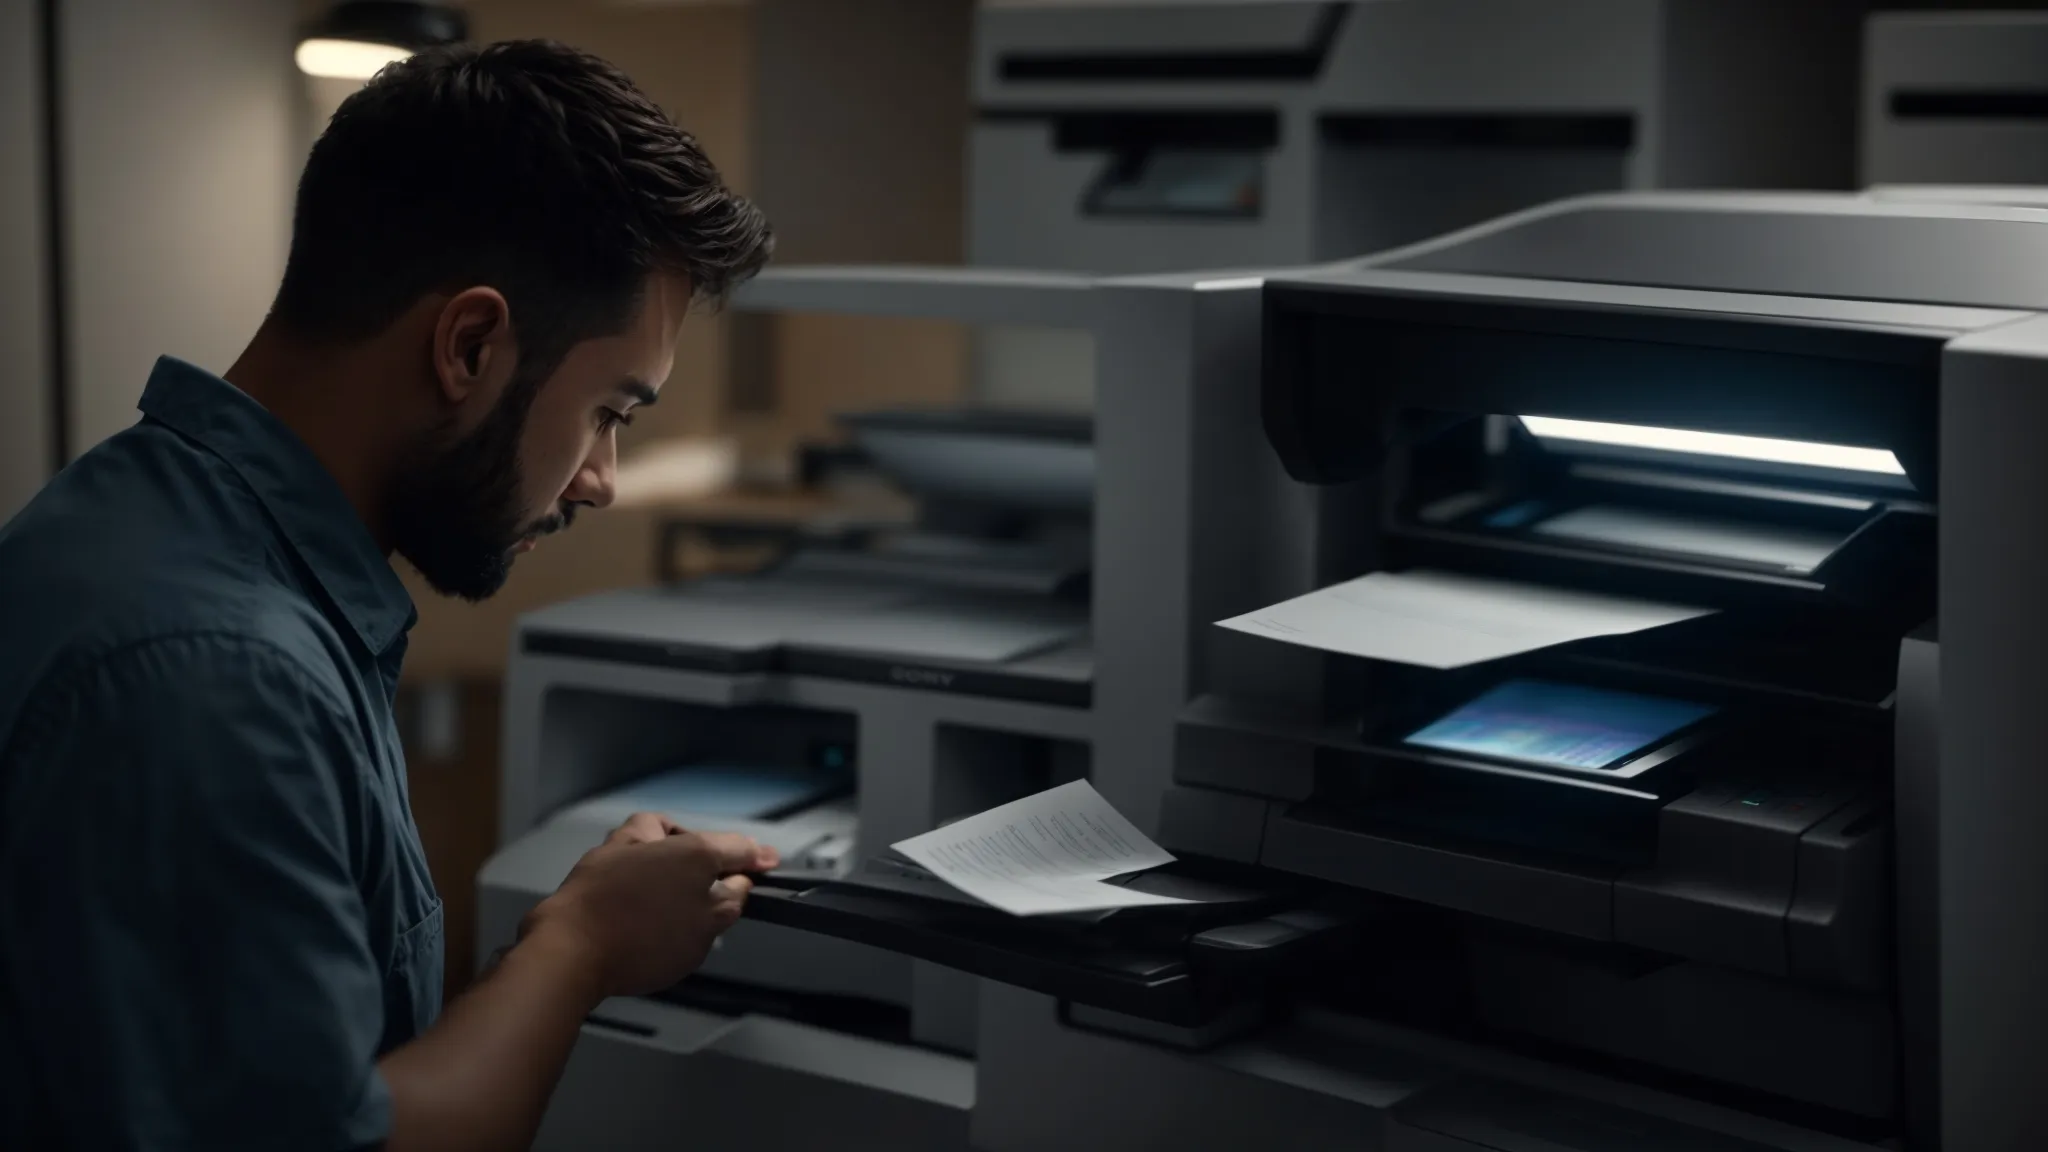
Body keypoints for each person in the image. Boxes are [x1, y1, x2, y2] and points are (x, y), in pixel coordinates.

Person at [0, 40, 777, 1152]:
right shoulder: (217, 678)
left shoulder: (141, 520)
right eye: (611, 410)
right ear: (468, 345)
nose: (601, 479)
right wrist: (579, 948)